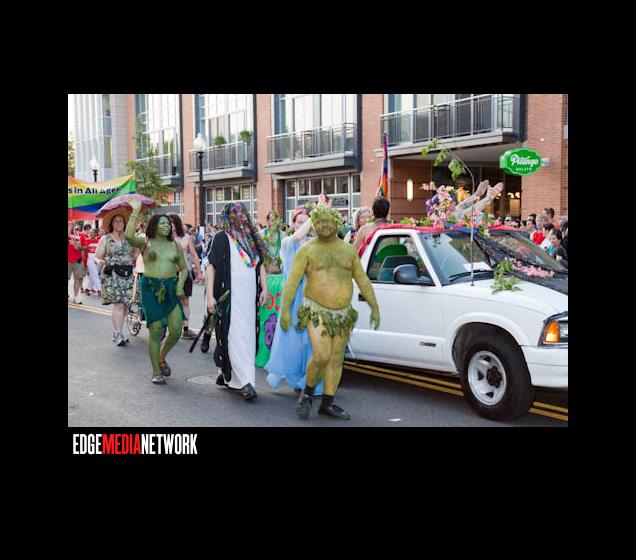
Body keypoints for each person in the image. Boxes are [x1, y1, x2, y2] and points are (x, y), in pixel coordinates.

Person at [280, 206, 380, 420]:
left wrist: (374, 306)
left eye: (328, 221)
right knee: (321, 355)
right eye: (320, 221)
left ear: (337, 223)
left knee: (335, 359)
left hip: (343, 314)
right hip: (316, 310)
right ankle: (307, 395)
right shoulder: (306, 250)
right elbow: (292, 282)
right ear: (314, 224)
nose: (324, 225)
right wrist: (285, 310)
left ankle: (327, 403)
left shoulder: (348, 250)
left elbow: (362, 280)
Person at [206, 202, 269, 401]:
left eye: (242, 213)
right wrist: (210, 296)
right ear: (228, 217)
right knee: (232, 334)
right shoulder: (221, 238)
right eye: (235, 214)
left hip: (249, 299)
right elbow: (211, 267)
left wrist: (265, 288)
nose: (239, 217)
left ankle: (234, 377)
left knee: (248, 338)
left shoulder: (251, 239)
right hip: (229, 298)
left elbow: (260, 265)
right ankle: (246, 382)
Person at [125, 200, 188, 384]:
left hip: (171, 288)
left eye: (168, 224)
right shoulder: (145, 241)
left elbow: (184, 268)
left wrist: (180, 284)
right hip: (151, 288)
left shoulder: (175, 245)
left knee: (176, 330)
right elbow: (128, 236)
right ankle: (156, 372)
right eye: (163, 223)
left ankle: (162, 356)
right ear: (154, 225)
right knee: (156, 330)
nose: (167, 226)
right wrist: (136, 211)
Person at [265, 206, 324, 397]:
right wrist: (315, 214)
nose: (303, 225)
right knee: (293, 339)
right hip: (294, 296)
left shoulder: (315, 243)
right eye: (299, 221)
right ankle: (294, 375)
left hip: (311, 295)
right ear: (293, 224)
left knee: (310, 340)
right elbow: (298, 236)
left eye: (306, 221)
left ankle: (308, 379)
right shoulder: (287, 242)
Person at [93, 211, 139, 346]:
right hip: (112, 275)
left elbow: (136, 254)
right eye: (116, 221)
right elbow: (96, 256)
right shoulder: (105, 239)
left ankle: (117, 331)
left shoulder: (130, 238)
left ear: (125, 224)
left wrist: (140, 252)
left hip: (128, 274)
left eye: (121, 221)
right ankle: (118, 333)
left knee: (124, 304)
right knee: (118, 304)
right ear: (111, 224)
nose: (119, 223)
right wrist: (99, 261)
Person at [168, 214, 203, 340]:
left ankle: (186, 329)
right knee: (167, 301)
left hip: (184, 273)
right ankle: (164, 328)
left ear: (176, 223)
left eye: (171, 222)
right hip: (168, 275)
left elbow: (194, 255)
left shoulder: (186, 238)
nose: (168, 225)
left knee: (185, 301)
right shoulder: (163, 238)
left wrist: (199, 272)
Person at [68, 220, 89, 304]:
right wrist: (69, 228)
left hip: (77, 260)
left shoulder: (81, 235)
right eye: (70, 223)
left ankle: (76, 297)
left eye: (73, 223)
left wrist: (80, 247)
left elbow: (86, 248)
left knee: (77, 279)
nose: (72, 224)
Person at [83, 228, 102, 297]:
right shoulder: (87, 240)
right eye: (90, 232)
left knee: (93, 275)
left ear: (96, 233)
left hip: (97, 258)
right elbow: (84, 249)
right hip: (90, 259)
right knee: (95, 274)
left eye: (92, 232)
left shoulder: (99, 241)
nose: (91, 233)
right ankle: (100, 290)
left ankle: (88, 289)